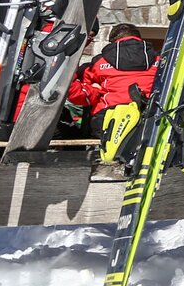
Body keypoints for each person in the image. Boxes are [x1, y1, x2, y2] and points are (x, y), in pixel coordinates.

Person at [67, 24, 158, 174]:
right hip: (147, 121)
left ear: (113, 41)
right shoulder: (159, 60)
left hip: (106, 121)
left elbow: (80, 95)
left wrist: (94, 90)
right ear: (139, 39)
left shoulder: (99, 62)